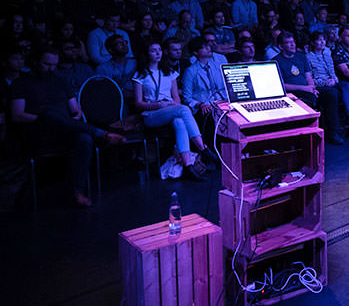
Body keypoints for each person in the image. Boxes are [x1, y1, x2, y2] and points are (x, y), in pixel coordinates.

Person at [10, 49, 125, 206]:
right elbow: (17, 115)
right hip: (38, 133)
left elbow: (75, 110)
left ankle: (77, 191)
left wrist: (69, 120)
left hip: (64, 132)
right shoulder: (21, 83)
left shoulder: (60, 80)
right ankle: (101, 133)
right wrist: (48, 119)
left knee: (83, 138)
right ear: (36, 62)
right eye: (46, 64)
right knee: (48, 113)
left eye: (54, 65)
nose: (50, 68)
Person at [132, 42, 218, 178]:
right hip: (151, 114)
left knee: (180, 122)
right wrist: (158, 105)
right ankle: (203, 149)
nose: (157, 53)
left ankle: (188, 166)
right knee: (184, 110)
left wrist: (170, 105)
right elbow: (138, 103)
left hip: (170, 110)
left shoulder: (170, 73)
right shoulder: (140, 75)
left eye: (159, 50)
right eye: (153, 50)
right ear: (147, 54)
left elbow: (177, 99)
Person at [274, 33, 344, 144]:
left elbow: (308, 76)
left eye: (293, 42)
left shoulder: (301, 57)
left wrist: (311, 88)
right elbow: (281, 85)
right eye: (288, 43)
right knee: (307, 100)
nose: (292, 45)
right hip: (291, 93)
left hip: (308, 90)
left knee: (332, 93)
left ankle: (333, 132)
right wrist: (304, 88)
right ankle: (304, 139)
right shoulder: (276, 61)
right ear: (281, 46)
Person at [96, 35, 137, 101]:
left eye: (125, 42)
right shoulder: (102, 68)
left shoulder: (135, 63)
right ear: (111, 50)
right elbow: (103, 91)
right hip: (115, 102)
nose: (124, 44)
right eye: (120, 43)